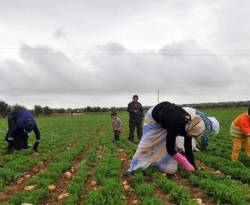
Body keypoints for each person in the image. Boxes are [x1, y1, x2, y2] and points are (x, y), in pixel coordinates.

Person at [128, 101, 205, 175]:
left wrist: (192, 165)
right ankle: (133, 168)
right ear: (190, 130)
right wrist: (185, 162)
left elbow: (188, 147)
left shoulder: (189, 124)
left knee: (164, 147)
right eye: (194, 135)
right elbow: (170, 149)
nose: (193, 137)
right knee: (147, 144)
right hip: (153, 118)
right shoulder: (175, 125)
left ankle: (160, 164)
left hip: (166, 119)